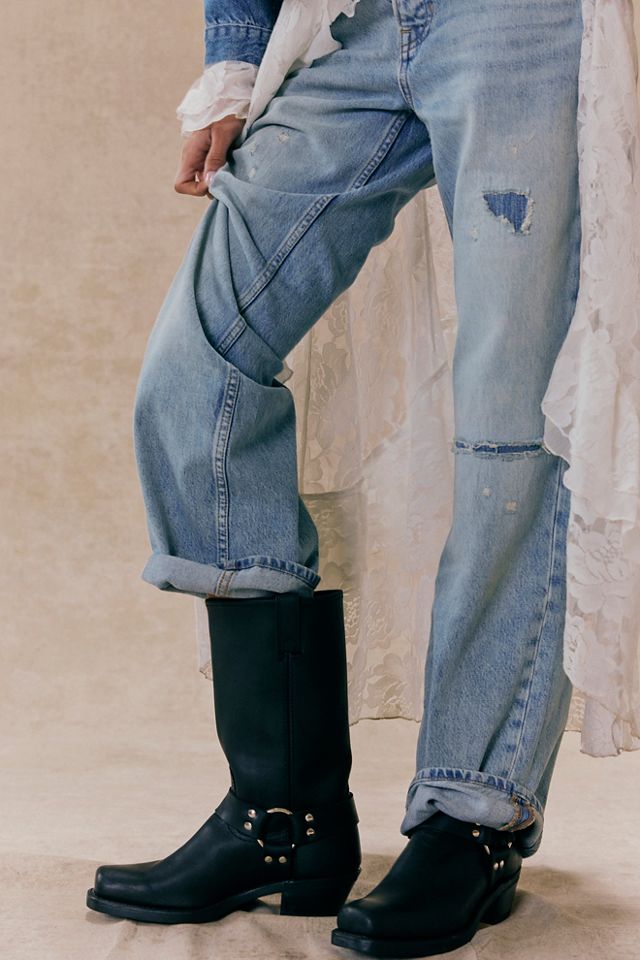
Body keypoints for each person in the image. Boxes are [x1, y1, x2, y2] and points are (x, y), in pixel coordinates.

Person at [86, 0, 587, 955]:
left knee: (510, 425)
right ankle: (285, 818)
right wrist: (233, 64)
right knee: (197, 368)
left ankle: (471, 820)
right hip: (362, 24)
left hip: (524, 26)